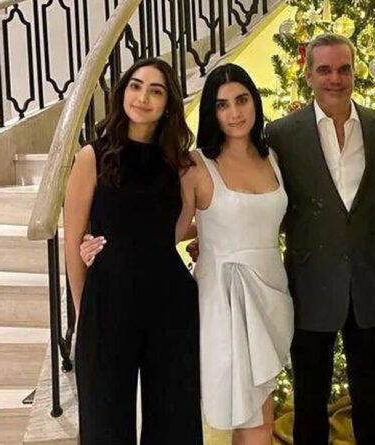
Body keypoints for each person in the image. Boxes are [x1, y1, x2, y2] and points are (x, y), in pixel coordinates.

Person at [79, 63, 294, 445]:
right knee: (242, 416)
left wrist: (212, 232)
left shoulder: (267, 156)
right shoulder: (190, 164)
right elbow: (162, 229)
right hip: (215, 295)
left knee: (246, 416)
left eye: (242, 100)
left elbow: (192, 223)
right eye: (222, 104)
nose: (234, 112)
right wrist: (97, 251)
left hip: (263, 291)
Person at [265, 33, 375, 444]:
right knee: (309, 400)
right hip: (309, 285)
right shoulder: (281, 134)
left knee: (371, 398)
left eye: (344, 69)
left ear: (355, 72)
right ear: (308, 75)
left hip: (371, 284)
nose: (335, 79)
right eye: (324, 70)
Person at [64, 58, 202, 444]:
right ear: (122, 92)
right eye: (136, 86)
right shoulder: (91, 157)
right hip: (108, 303)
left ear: (168, 103)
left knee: (175, 424)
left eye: (156, 91)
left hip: (171, 305)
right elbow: (73, 242)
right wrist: (85, 311)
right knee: (105, 426)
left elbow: (172, 230)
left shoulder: (180, 163)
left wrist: (212, 238)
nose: (143, 97)